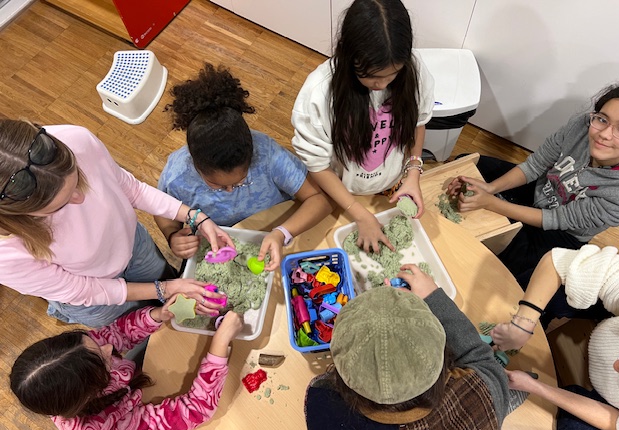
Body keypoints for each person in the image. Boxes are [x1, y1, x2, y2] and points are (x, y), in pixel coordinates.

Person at [0, 120, 232, 327]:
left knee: (166, 294)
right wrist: (165, 289)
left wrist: (194, 216)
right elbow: (83, 290)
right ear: (20, 216)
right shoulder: (6, 253)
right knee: (138, 329)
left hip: (134, 246)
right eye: (59, 206)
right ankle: (60, 310)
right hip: (94, 293)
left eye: (78, 180)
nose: (80, 198)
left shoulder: (74, 140)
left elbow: (131, 188)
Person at [305, 265, 510, 430]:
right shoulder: (482, 396)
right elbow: (480, 358)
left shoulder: (322, 408)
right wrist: (433, 298)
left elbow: (322, 383)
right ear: (443, 359)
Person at [9, 295, 243, 430]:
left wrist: (157, 314)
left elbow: (118, 333)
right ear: (91, 390)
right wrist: (220, 344)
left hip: (132, 395)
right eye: (103, 359)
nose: (108, 348)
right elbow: (195, 410)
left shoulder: (79, 355)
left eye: (94, 344)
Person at [447, 81, 619, 282]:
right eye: (602, 119)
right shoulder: (582, 125)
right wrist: (490, 188)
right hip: (541, 189)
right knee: (467, 165)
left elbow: (555, 218)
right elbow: (535, 165)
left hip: (562, 232)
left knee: (509, 271)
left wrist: (491, 203)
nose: (604, 134)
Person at [291, 0, 436, 253]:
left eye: (393, 74)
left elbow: (418, 122)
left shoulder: (415, 72)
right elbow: (317, 164)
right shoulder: (319, 93)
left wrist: (413, 172)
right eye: (372, 76)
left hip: (391, 185)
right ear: (349, 55)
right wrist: (357, 212)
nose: (383, 84)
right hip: (339, 192)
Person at [156, 63, 332, 271]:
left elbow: (320, 200)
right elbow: (161, 210)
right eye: (218, 186)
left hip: (278, 227)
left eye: (241, 181)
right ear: (195, 165)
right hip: (221, 244)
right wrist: (172, 235)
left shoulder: (268, 155)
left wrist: (282, 232)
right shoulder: (177, 176)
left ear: (251, 154)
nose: (230, 190)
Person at [491, 245, 619, 430]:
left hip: (609, 405)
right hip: (608, 324)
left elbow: (616, 421)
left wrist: (538, 387)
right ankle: (525, 318)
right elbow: (558, 262)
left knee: (575, 429)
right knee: (557, 288)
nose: (616, 365)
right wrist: (523, 323)